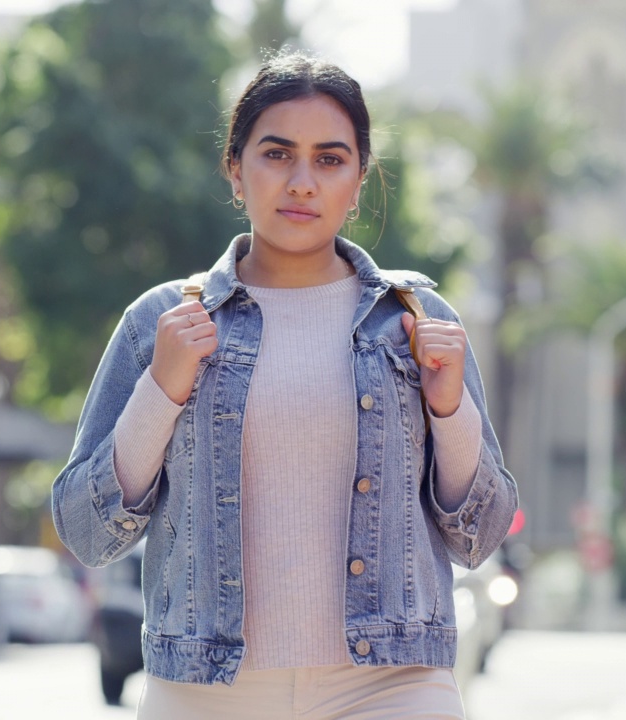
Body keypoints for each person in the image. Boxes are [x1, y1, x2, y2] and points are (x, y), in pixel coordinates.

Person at [52, 50, 518, 719]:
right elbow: (86, 532)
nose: (302, 181)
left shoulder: (417, 322)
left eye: (330, 159)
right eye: (277, 154)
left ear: (359, 181)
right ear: (236, 170)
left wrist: (450, 411)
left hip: (392, 685)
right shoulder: (162, 321)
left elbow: (480, 535)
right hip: (206, 690)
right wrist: (162, 388)